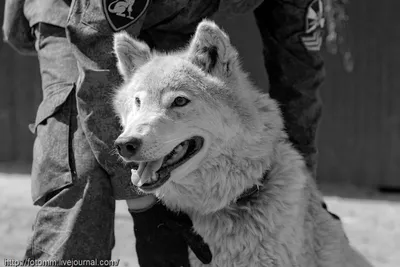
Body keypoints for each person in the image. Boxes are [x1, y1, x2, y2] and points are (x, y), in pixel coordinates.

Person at [2, 0, 330, 266]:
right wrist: (145, 206)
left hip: (178, 18)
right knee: (84, 167)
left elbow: (298, 73)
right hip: (82, 18)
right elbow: (98, 63)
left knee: (192, 155)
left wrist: (305, 193)